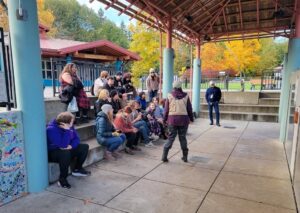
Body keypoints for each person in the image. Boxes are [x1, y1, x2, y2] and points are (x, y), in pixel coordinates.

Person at [47, 112, 91, 189]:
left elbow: (77, 139)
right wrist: (67, 131)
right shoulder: (51, 130)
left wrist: (71, 146)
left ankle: (77, 169)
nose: (73, 123)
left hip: (66, 148)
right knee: (65, 154)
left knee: (84, 147)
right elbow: (62, 145)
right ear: (64, 123)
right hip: (53, 152)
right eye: (71, 121)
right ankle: (62, 179)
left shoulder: (70, 126)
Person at [162, 81, 194, 163]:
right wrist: (191, 118)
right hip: (184, 120)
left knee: (171, 138)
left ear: (173, 87)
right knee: (182, 138)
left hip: (172, 120)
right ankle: (185, 157)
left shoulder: (169, 95)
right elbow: (189, 109)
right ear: (180, 86)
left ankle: (164, 156)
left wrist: (164, 120)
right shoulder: (186, 96)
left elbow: (166, 110)